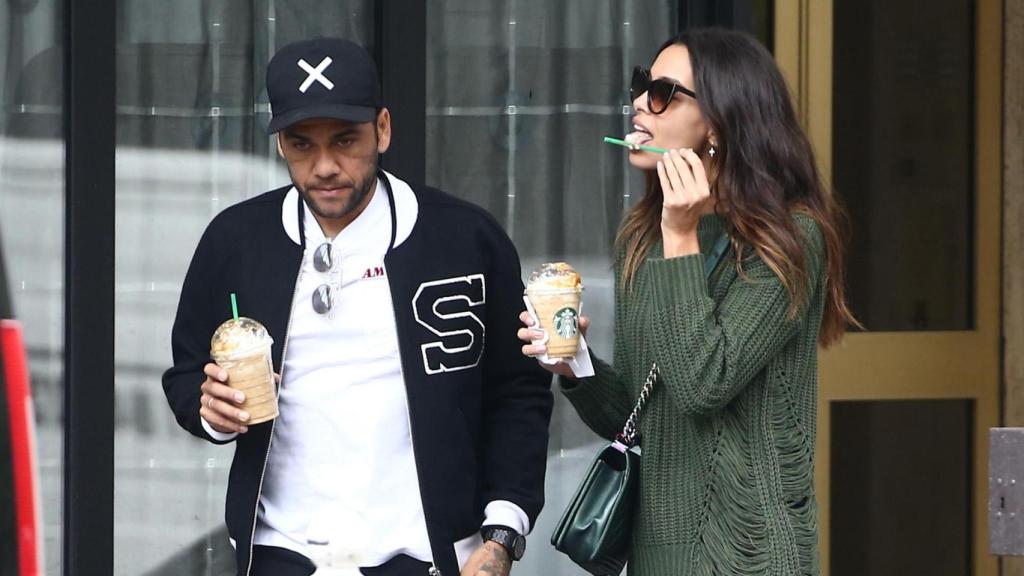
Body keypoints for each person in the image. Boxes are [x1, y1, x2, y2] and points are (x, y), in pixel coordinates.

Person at [163, 37, 553, 576]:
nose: (325, 166)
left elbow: (518, 392)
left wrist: (503, 535)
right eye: (302, 144)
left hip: (426, 556)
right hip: (283, 554)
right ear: (280, 145)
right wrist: (213, 413)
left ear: (384, 129)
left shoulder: (464, 238)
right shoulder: (235, 240)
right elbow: (186, 373)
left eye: (345, 140)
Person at [519, 28, 857, 575]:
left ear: (719, 121)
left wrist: (682, 238)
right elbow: (640, 414)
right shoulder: (642, 235)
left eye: (662, 93)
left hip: (751, 554)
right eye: (640, 86)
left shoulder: (791, 238)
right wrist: (575, 363)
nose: (637, 104)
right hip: (656, 553)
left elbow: (705, 384)